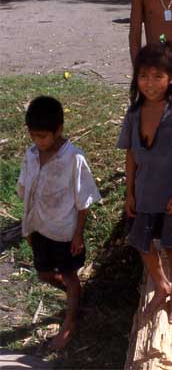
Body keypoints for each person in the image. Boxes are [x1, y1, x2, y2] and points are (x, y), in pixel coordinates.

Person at [117, 42, 172, 325]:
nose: (149, 84)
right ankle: (161, 284)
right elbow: (130, 154)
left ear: (171, 79)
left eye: (157, 77)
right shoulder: (134, 114)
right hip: (144, 194)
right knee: (141, 243)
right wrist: (129, 192)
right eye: (143, 76)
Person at [17, 96, 101, 349]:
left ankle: (70, 322)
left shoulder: (73, 159)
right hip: (40, 228)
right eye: (34, 136)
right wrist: (29, 227)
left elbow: (83, 202)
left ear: (59, 130)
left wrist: (78, 235)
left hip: (64, 233)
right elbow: (26, 191)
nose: (38, 142)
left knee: (69, 274)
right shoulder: (31, 155)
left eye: (43, 136)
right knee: (44, 273)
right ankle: (74, 297)